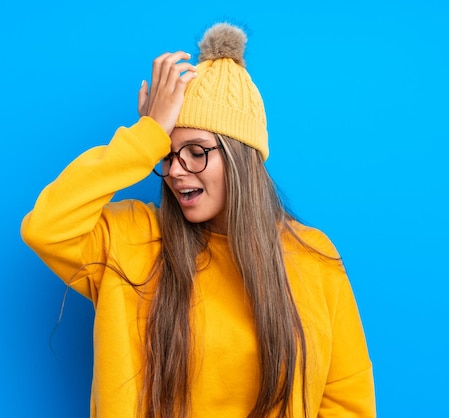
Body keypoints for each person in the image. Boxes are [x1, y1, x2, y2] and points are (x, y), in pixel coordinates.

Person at [21, 22, 375, 418]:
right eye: (168, 154)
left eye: (196, 150)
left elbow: (346, 401)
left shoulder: (312, 257)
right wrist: (147, 134)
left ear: (241, 157)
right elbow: (46, 226)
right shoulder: (129, 239)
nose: (176, 170)